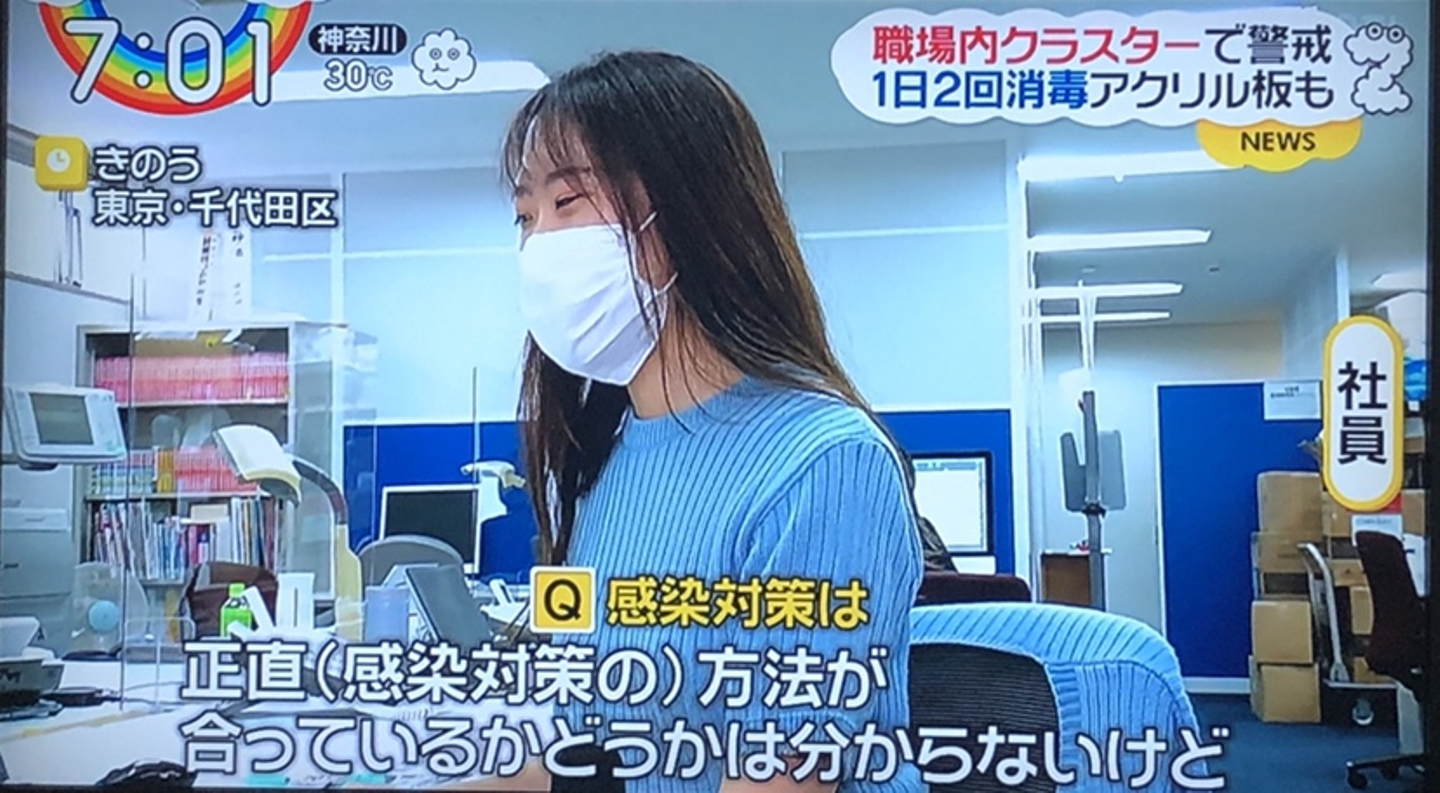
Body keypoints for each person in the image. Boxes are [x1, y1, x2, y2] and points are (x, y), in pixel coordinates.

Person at [505, 51, 924, 792]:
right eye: (525, 217)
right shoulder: (602, 461)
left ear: (689, 212)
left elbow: (779, 779)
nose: (539, 244)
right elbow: (582, 759)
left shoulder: (822, 463)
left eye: (568, 202)